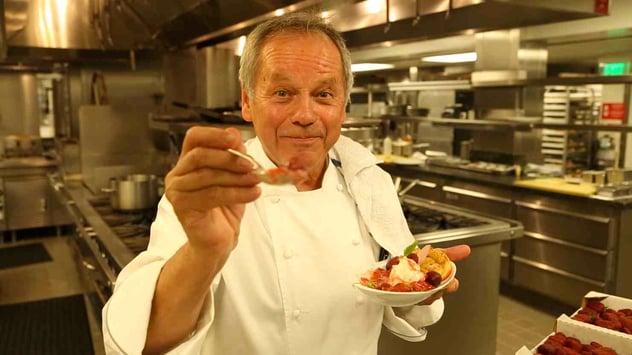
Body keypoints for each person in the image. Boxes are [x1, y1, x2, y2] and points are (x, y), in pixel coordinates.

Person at [102, 11, 471, 355]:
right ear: (247, 102)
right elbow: (146, 340)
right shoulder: (215, 189)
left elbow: (395, 287)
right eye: (282, 93)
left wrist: (418, 288)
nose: (306, 115)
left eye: (324, 94)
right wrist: (203, 253)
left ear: (344, 106)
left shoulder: (367, 179)